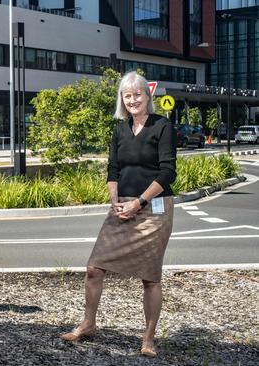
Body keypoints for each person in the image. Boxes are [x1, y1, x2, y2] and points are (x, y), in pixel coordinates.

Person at [60, 71, 177, 358]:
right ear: (122, 100)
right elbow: (113, 168)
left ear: (148, 97)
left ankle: (148, 339)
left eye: (138, 94)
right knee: (94, 267)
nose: (133, 99)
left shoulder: (162, 126)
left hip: (153, 210)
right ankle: (88, 324)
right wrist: (115, 200)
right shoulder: (119, 129)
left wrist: (138, 202)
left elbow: (168, 171)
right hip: (121, 207)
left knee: (150, 278)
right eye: (128, 95)